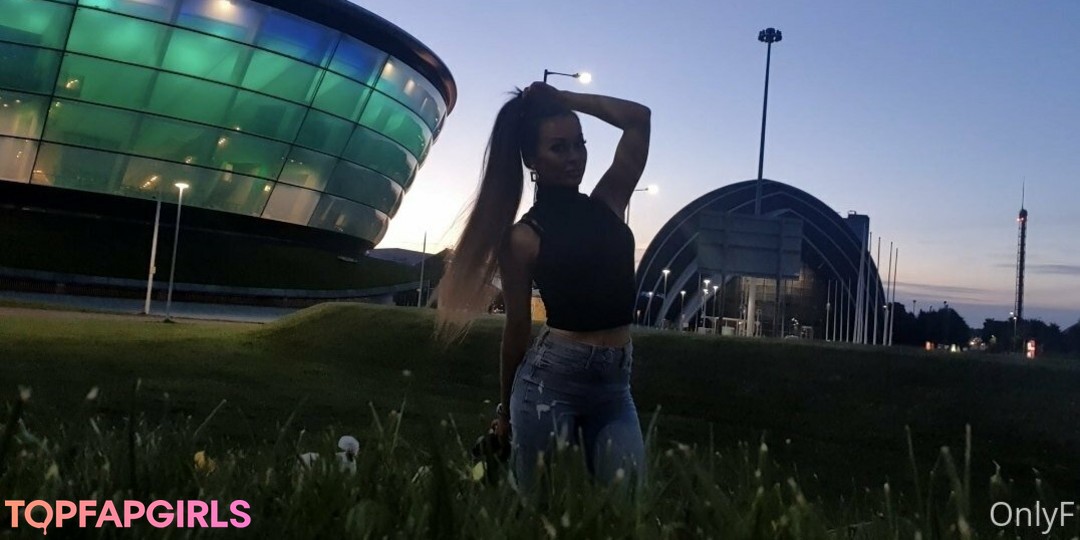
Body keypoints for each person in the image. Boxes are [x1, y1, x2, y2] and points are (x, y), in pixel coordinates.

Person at [437, 81, 650, 494]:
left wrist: (564, 99)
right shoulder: (523, 237)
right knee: (536, 510)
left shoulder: (608, 202)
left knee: (629, 507)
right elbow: (516, 328)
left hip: (614, 386)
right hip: (551, 381)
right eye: (559, 147)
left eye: (579, 144)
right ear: (532, 159)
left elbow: (638, 119)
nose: (574, 157)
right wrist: (505, 413)